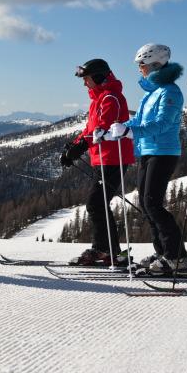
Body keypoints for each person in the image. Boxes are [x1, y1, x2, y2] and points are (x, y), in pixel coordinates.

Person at [59, 58, 135, 266]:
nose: (85, 83)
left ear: (99, 77)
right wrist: (73, 147)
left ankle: (104, 249)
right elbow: (89, 129)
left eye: (87, 79)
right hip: (102, 158)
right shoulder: (99, 99)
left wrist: (79, 147)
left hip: (114, 157)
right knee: (98, 203)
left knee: (96, 203)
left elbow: (102, 128)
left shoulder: (111, 98)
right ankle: (108, 249)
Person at [123, 44, 187, 274]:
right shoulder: (151, 93)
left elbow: (162, 125)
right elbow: (140, 122)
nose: (139, 69)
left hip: (164, 152)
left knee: (153, 203)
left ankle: (177, 258)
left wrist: (130, 132)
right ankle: (162, 252)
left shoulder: (170, 92)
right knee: (145, 204)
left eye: (141, 65)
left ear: (154, 65)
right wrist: (120, 128)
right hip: (148, 151)